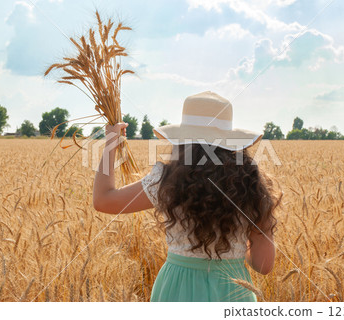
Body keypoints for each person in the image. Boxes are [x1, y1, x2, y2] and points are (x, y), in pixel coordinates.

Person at [93, 91, 282, 302]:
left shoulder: (167, 180)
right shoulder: (252, 184)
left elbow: (103, 200)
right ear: (231, 141)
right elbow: (264, 265)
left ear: (182, 138)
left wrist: (110, 143)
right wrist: (239, 245)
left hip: (177, 288)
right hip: (233, 291)